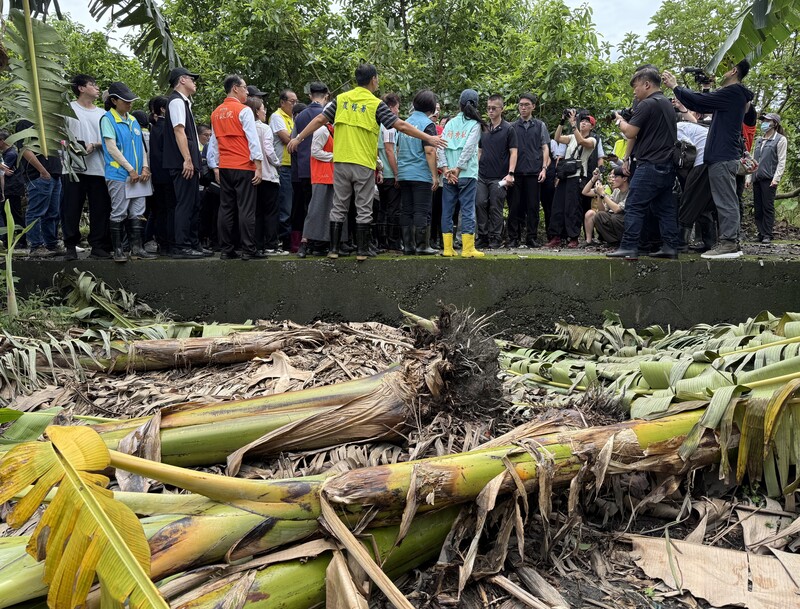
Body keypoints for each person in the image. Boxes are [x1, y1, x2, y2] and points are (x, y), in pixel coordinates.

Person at [287, 63, 446, 262]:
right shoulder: (375, 104)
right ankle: (362, 251)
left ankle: (334, 249)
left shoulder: (341, 100)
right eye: (377, 79)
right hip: (362, 162)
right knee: (363, 207)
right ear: (373, 80)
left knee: (339, 206)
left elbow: (320, 119)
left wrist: (298, 137)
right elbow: (400, 125)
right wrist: (429, 138)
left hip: (341, 161)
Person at [663, 59, 755, 259]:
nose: (720, 73)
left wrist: (675, 86)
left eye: (724, 69)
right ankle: (732, 241)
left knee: (725, 200)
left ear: (733, 71)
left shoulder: (733, 92)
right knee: (725, 199)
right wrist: (707, 89)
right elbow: (710, 105)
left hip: (722, 156)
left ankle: (729, 243)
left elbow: (698, 102)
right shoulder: (737, 95)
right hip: (725, 154)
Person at [608, 65, 679, 260]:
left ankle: (629, 246)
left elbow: (630, 132)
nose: (634, 91)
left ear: (647, 84)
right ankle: (670, 246)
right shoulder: (666, 103)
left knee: (634, 204)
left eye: (636, 86)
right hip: (667, 165)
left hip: (650, 164)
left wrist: (619, 120)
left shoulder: (647, 104)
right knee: (665, 208)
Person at [207, 74, 264, 260]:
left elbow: (213, 143)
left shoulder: (216, 113)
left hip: (225, 166)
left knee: (226, 208)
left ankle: (226, 249)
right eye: (245, 88)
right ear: (235, 88)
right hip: (244, 166)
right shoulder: (244, 110)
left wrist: (215, 166)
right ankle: (248, 250)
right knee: (246, 208)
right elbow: (252, 139)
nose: (247, 91)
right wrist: (258, 165)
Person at [100, 82, 155, 263]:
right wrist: (130, 169)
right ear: (114, 101)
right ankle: (118, 249)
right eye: (126, 101)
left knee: (138, 211)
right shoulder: (108, 119)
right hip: (119, 175)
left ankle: (137, 248)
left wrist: (145, 167)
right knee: (119, 211)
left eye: (131, 101)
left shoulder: (132, 120)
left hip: (138, 176)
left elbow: (141, 146)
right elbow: (112, 148)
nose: (129, 104)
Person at [62, 74, 112, 260]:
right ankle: (70, 246)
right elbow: (59, 136)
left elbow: (110, 139)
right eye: (93, 84)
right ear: (81, 88)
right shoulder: (68, 110)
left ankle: (98, 245)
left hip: (98, 168)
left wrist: (95, 145)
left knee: (100, 208)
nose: (97, 88)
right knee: (71, 208)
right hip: (72, 168)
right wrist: (72, 146)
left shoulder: (102, 114)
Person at [163, 66, 207, 259]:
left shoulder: (185, 103)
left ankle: (193, 243)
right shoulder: (176, 102)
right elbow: (179, 131)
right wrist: (187, 160)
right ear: (182, 80)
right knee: (185, 204)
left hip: (190, 162)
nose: (194, 82)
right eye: (192, 78)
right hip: (182, 163)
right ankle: (181, 245)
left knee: (194, 204)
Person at [439, 89, 485, 257]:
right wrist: (458, 169)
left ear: (459, 104)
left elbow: (440, 146)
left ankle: (447, 248)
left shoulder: (449, 123)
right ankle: (467, 249)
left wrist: (445, 169)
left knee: (447, 210)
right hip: (466, 174)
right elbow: (469, 148)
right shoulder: (475, 124)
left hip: (448, 175)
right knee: (467, 209)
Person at [396, 89, 441, 256]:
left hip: (404, 173)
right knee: (422, 210)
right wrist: (434, 175)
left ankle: (408, 245)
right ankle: (422, 245)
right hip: (420, 174)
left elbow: (398, 148)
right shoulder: (428, 125)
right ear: (431, 108)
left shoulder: (405, 123)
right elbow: (430, 151)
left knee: (406, 209)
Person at [15, 119, 64, 257]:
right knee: (36, 211)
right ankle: (36, 245)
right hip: (39, 175)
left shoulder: (45, 122)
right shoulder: (25, 123)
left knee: (53, 212)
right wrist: (42, 171)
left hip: (54, 174)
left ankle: (51, 243)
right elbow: (24, 149)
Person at [548, 111, 596, 248]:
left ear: (591, 127)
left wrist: (573, 125)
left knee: (573, 207)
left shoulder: (592, 140)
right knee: (558, 206)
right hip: (565, 176)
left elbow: (581, 141)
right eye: (582, 121)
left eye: (587, 122)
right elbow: (557, 138)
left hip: (578, 176)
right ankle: (556, 236)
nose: (583, 123)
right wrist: (562, 121)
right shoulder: (571, 137)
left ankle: (573, 237)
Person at [476, 94, 517, 249]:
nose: (491, 111)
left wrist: (511, 173)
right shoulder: (484, 128)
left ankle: (495, 237)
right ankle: (483, 236)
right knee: (479, 203)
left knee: (495, 206)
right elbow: (480, 151)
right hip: (482, 175)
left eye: (494, 108)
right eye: (488, 108)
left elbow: (514, 152)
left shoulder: (509, 129)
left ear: (502, 109)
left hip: (499, 176)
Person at [509, 93, 549, 247]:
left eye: (526, 104)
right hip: (516, 173)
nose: (523, 107)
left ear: (533, 106)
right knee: (514, 207)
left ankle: (531, 238)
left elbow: (545, 148)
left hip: (534, 172)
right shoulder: (512, 126)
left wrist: (544, 168)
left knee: (533, 207)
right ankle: (513, 238)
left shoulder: (540, 125)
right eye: (521, 105)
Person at [292, 82, 329, 252]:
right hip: (323, 169)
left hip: (304, 168)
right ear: (326, 96)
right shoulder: (327, 114)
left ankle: (306, 243)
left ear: (309, 96)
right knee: (323, 206)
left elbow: (294, 143)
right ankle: (319, 242)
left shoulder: (299, 116)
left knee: (308, 206)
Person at [246, 97, 282, 256]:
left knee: (257, 212)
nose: (265, 112)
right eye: (263, 109)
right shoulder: (264, 128)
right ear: (256, 111)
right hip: (267, 175)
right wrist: (277, 162)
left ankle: (257, 244)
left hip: (251, 175)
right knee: (271, 212)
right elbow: (268, 150)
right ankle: (271, 244)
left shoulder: (244, 127)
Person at [747, 112, 787, 244]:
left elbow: (781, 161)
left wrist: (776, 178)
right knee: (758, 207)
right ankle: (760, 233)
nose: (764, 123)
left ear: (774, 123)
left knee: (767, 207)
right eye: (763, 120)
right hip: (756, 177)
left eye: (767, 120)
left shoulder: (780, 139)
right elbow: (752, 159)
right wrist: (748, 177)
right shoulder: (759, 140)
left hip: (769, 178)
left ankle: (767, 234)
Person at [145, 95, 175, 255]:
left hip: (156, 176)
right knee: (169, 210)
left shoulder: (154, 128)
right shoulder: (167, 128)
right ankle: (169, 243)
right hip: (168, 174)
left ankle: (161, 243)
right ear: (163, 109)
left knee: (159, 211)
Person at [270, 89, 298, 249]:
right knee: (285, 206)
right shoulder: (277, 116)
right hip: (283, 167)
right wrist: (298, 139)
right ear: (282, 102)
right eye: (291, 102)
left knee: (292, 205)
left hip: (293, 167)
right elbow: (287, 139)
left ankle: (290, 240)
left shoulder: (292, 118)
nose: (294, 104)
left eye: (296, 102)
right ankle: (283, 241)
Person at [376, 93, 402, 251]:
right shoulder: (389, 125)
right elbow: (389, 150)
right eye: (397, 108)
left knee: (383, 208)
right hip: (390, 174)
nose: (398, 112)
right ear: (391, 107)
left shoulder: (378, 124)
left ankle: (381, 242)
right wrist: (397, 173)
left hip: (381, 172)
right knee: (393, 209)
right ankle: (392, 242)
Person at [582, 166, 629, 245]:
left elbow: (617, 209)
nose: (612, 179)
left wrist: (603, 194)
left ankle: (623, 242)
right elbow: (602, 211)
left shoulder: (631, 191)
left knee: (615, 217)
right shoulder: (616, 191)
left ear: (624, 179)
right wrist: (599, 195)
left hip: (625, 220)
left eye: (615, 177)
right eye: (611, 176)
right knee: (599, 215)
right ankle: (613, 242)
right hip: (615, 219)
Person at [0, 130, 25, 248]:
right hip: (9, 188)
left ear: (2, 141)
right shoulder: (6, 154)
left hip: (12, 188)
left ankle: (21, 240)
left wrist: (2, 169)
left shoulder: (11, 154)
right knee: (6, 215)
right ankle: (7, 240)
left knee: (14, 214)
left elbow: (4, 171)